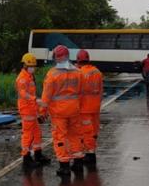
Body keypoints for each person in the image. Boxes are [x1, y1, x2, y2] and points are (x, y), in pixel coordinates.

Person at [41, 45, 83, 177]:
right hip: (74, 110)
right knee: (75, 135)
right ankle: (78, 163)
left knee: (60, 137)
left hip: (59, 112)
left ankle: (64, 166)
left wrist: (42, 111)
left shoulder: (52, 74)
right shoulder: (77, 72)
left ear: (56, 57)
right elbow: (81, 92)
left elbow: (46, 95)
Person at [16, 53, 50, 168]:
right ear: (25, 65)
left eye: (34, 66)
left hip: (32, 109)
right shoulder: (22, 78)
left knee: (36, 133)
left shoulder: (29, 77)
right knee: (28, 134)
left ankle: (38, 154)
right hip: (26, 109)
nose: (33, 68)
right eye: (31, 66)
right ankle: (26, 158)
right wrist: (35, 100)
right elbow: (23, 93)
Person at [76, 49, 103, 168]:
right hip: (95, 106)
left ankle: (90, 154)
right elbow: (101, 90)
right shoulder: (97, 71)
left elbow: (77, 92)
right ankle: (91, 152)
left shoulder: (79, 73)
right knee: (94, 131)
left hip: (84, 108)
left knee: (86, 132)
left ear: (78, 60)